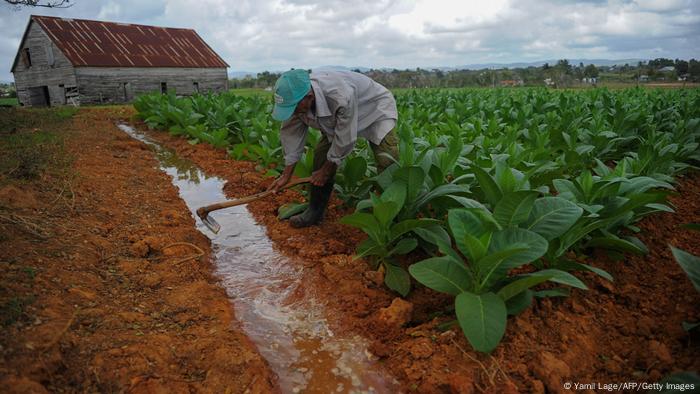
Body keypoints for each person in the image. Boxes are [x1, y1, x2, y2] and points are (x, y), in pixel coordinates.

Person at [267, 69, 399, 228]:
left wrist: (326, 170)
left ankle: (392, 219)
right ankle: (315, 212)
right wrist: (286, 175)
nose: (292, 111)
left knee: (387, 161)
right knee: (321, 156)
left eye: (293, 107)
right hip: (337, 119)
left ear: (308, 97)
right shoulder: (297, 103)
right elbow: (291, 137)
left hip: (375, 109)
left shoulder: (339, 95)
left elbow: (345, 138)